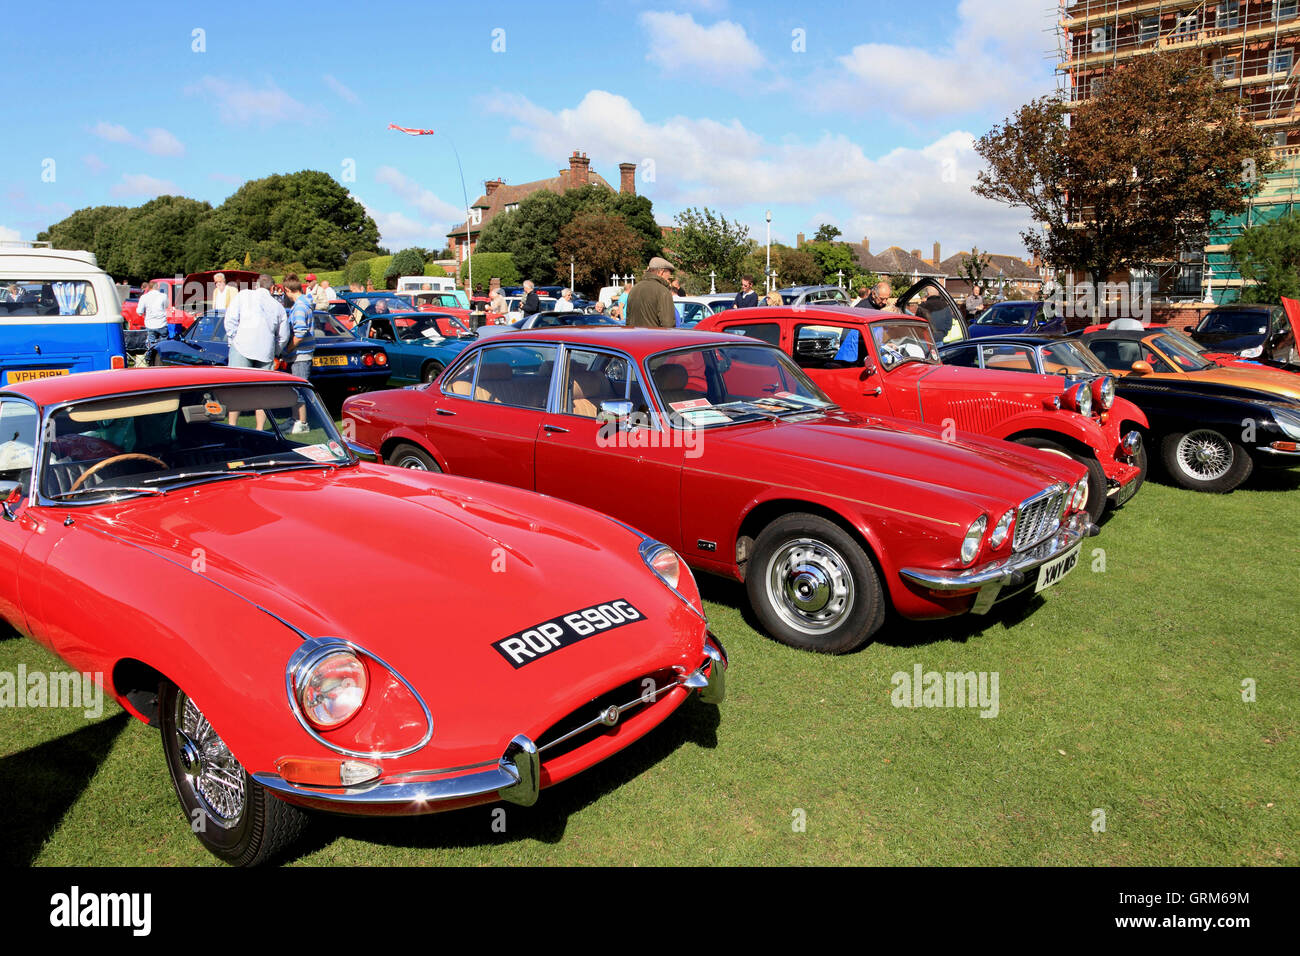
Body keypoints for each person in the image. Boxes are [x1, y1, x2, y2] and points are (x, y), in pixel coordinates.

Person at [226, 275, 291, 429]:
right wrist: (275, 350)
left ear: (256, 285)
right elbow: (284, 336)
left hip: (242, 346)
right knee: (262, 393)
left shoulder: (244, 295)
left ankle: (232, 425)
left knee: (236, 390)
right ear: (272, 288)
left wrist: (233, 339)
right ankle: (260, 428)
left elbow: (230, 320)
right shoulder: (278, 306)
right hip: (266, 350)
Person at [283, 277, 316, 434]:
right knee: (295, 390)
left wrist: (288, 349)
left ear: (288, 291)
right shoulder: (304, 304)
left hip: (300, 355)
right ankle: (295, 419)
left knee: (299, 391)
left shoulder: (299, 307)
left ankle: (302, 423)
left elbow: (300, 332)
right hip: (302, 354)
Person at [625, 257, 676, 329]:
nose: (668, 280)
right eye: (668, 276)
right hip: (654, 338)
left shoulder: (634, 289)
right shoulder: (663, 291)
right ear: (661, 272)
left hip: (633, 338)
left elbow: (628, 321)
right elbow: (668, 324)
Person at [137, 279, 168, 349]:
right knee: (164, 344)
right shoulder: (163, 296)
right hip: (162, 323)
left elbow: (139, 311)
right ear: (157, 287)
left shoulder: (144, 297)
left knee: (151, 343)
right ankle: (162, 356)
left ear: (149, 288)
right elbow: (166, 307)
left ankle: (152, 357)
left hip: (150, 324)